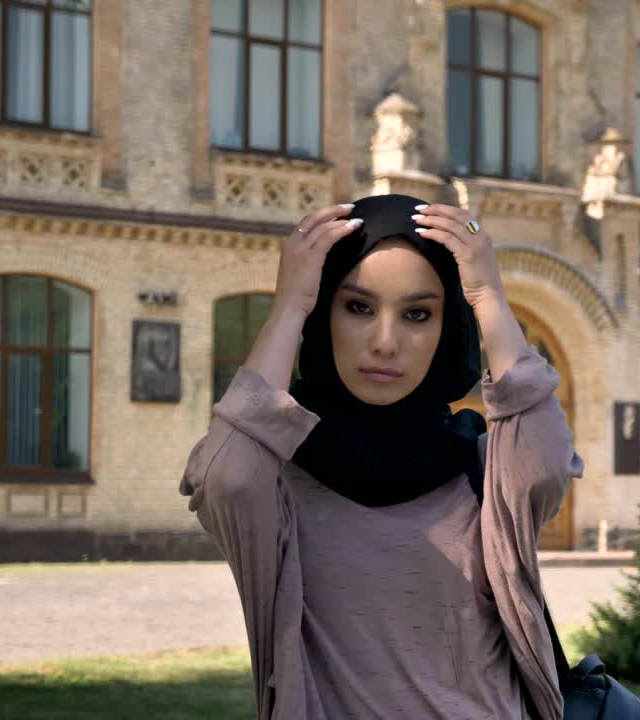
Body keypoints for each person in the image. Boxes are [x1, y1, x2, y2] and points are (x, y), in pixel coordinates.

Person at [179, 193, 584, 719]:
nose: (385, 341)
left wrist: (487, 296)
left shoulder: (480, 469)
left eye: (418, 314)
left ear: (446, 329)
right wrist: (289, 305)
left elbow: (547, 462)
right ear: (324, 314)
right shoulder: (279, 481)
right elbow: (227, 480)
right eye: (357, 307)